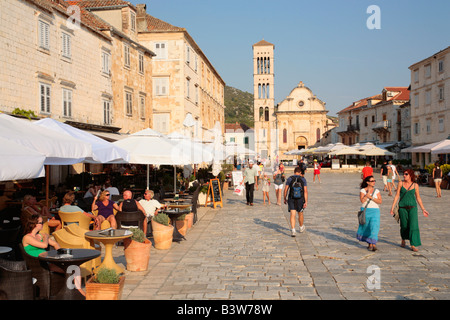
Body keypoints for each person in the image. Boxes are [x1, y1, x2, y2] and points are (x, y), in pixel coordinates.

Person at [390, 169, 429, 252]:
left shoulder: (415, 185)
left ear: (410, 175)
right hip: (402, 208)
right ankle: (403, 239)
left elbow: (418, 198)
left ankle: (413, 244)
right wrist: (392, 207)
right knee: (404, 226)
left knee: (413, 226)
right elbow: (397, 196)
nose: (404, 175)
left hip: (413, 208)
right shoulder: (400, 183)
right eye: (403, 174)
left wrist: (423, 209)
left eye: (406, 174)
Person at [357, 176, 382, 251]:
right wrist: (366, 195)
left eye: (374, 181)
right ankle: (369, 243)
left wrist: (371, 197)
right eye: (372, 181)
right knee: (367, 227)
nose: (374, 182)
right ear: (367, 182)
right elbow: (362, 201)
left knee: (374, 226)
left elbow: (380, 201)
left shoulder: (377, 191)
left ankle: (373, 244)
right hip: (366, 210)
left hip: (375, 210)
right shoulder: (363, 191)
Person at [284, 167, 308, 237]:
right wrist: (306, 201)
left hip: (291, 198)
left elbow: (286, 189)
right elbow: (305, 191)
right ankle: (301, 227)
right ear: (300, 172)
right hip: (300, 199)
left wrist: (284, 198)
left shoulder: (290, 178)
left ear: (294, 172)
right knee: (300, 213)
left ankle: (293, 230)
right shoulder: (303, 179)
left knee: (292, 214)